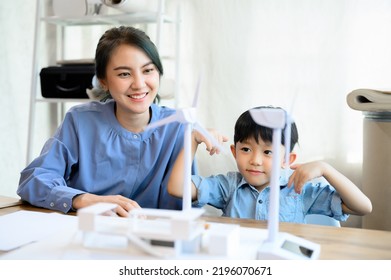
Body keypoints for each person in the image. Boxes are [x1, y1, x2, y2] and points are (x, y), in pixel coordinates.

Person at [17, 26, 203, 217]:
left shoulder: (179, 128)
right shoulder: (80, 121)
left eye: (148, 70)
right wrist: (85, 200)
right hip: (87, 233)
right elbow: (33, 180)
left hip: (153, 238)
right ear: (103, 81)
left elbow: (189, 204)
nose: (139, 84)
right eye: (124, 74)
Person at [168, 106, 372, 223]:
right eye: (246, 149)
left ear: (287, 160)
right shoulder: (228, 186)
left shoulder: (299, 189)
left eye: (268, 152)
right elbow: (177, 188)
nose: (255, 160)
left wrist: (326, 169)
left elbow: (363, 207)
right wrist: (192, 140)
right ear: (234, 151)